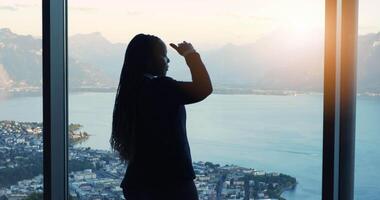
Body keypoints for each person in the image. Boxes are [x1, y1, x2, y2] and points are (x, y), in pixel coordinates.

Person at [110, 33, 212, 200]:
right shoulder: (160, 87)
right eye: (164, 56)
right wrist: (191, 55)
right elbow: (204, 88)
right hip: (171, 182)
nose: (168, 61)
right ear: (149, 60)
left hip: (137, 183)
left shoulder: (130, 91)